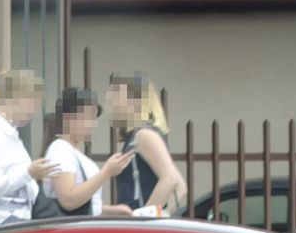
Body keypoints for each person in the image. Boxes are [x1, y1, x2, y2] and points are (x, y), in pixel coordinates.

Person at [0, 69, 52, 229]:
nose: (32, 111)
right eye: (31, 103)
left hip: (8, 224)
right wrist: (28, 173)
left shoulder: (6, 132)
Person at [42, 87, 133, 217]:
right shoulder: (61, 148)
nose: (92, 124)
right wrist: (106, 172)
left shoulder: (72, 150)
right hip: (70, 232)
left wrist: (111, 210)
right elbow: (68, 200)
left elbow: (84, 204)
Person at [105, 74, 187, 216]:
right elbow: (180, 186)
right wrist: (162, 213)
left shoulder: (143, 134)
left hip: (137, 224)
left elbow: (171, 179)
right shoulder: (144, 132)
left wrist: (142, 219)